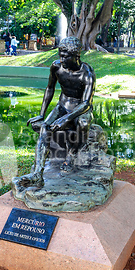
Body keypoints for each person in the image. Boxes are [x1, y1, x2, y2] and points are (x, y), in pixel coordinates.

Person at [13, 36, 95, 186]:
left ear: (76, 56)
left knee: (83, 124)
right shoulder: (56, 67)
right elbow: (50, 88)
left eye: (65, 56)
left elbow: (86, 103)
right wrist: (41, 114)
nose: (61, 59)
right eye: (60, 55)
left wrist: (67, 119)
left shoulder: (87, 73)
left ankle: (72, 154)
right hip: (62, 106)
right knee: (45, 126)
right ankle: (38, 173)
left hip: (80, 109)